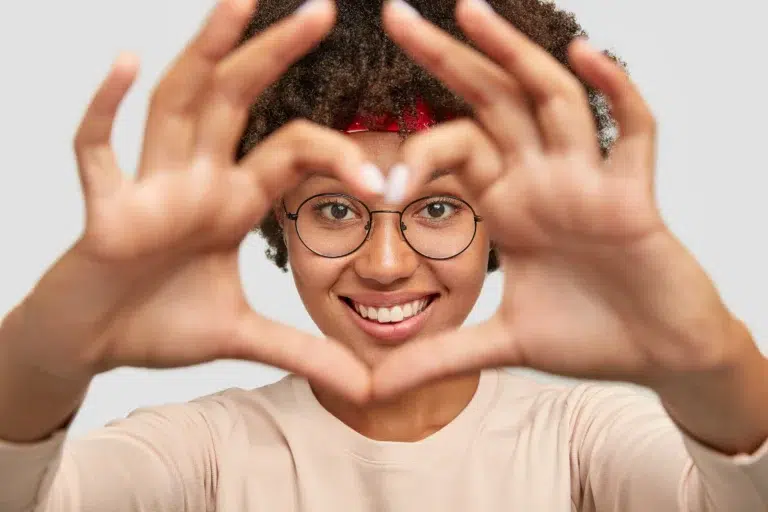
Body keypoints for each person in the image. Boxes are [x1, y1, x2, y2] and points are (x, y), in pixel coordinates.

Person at [0, 0, 766, 509]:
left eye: (437, 207)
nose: (388, 263)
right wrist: (41, 358)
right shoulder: (202, 454)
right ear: (276, 213)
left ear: (499, 218)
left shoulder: (579, 441)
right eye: (336, 208)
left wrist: (709, 361)